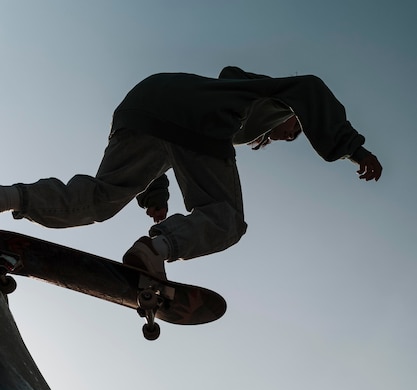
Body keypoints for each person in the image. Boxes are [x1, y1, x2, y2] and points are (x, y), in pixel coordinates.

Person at [0, 66, 382, 281]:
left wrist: (154, 196)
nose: (287, 136)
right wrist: (353, 148)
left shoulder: (227, 93)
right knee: (226, 218)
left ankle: (9, 197)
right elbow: (311, 87)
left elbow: (168, 145)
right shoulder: (274, 98)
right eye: (293, 131)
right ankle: (156, 249)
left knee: (102, 198)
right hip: (195, 121)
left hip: (143, 104)